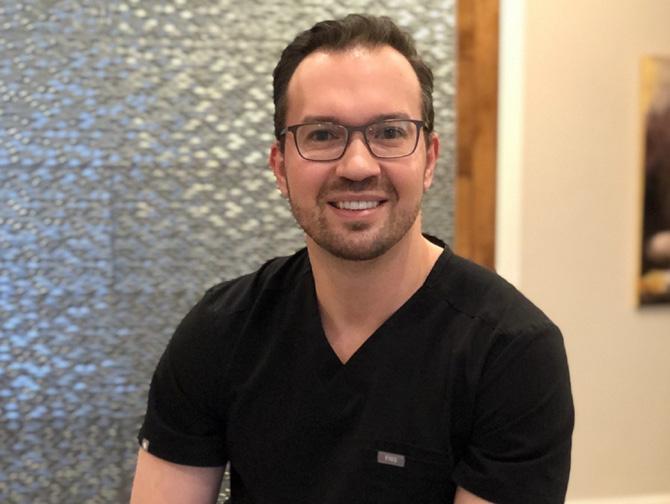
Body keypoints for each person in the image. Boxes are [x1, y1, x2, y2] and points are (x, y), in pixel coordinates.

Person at [130, 14, 574, 504]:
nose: (358, 166)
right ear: (281, 167)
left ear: (428, 160)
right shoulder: (220, 332)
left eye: (389, 132)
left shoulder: (510, 353)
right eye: (322, 134)